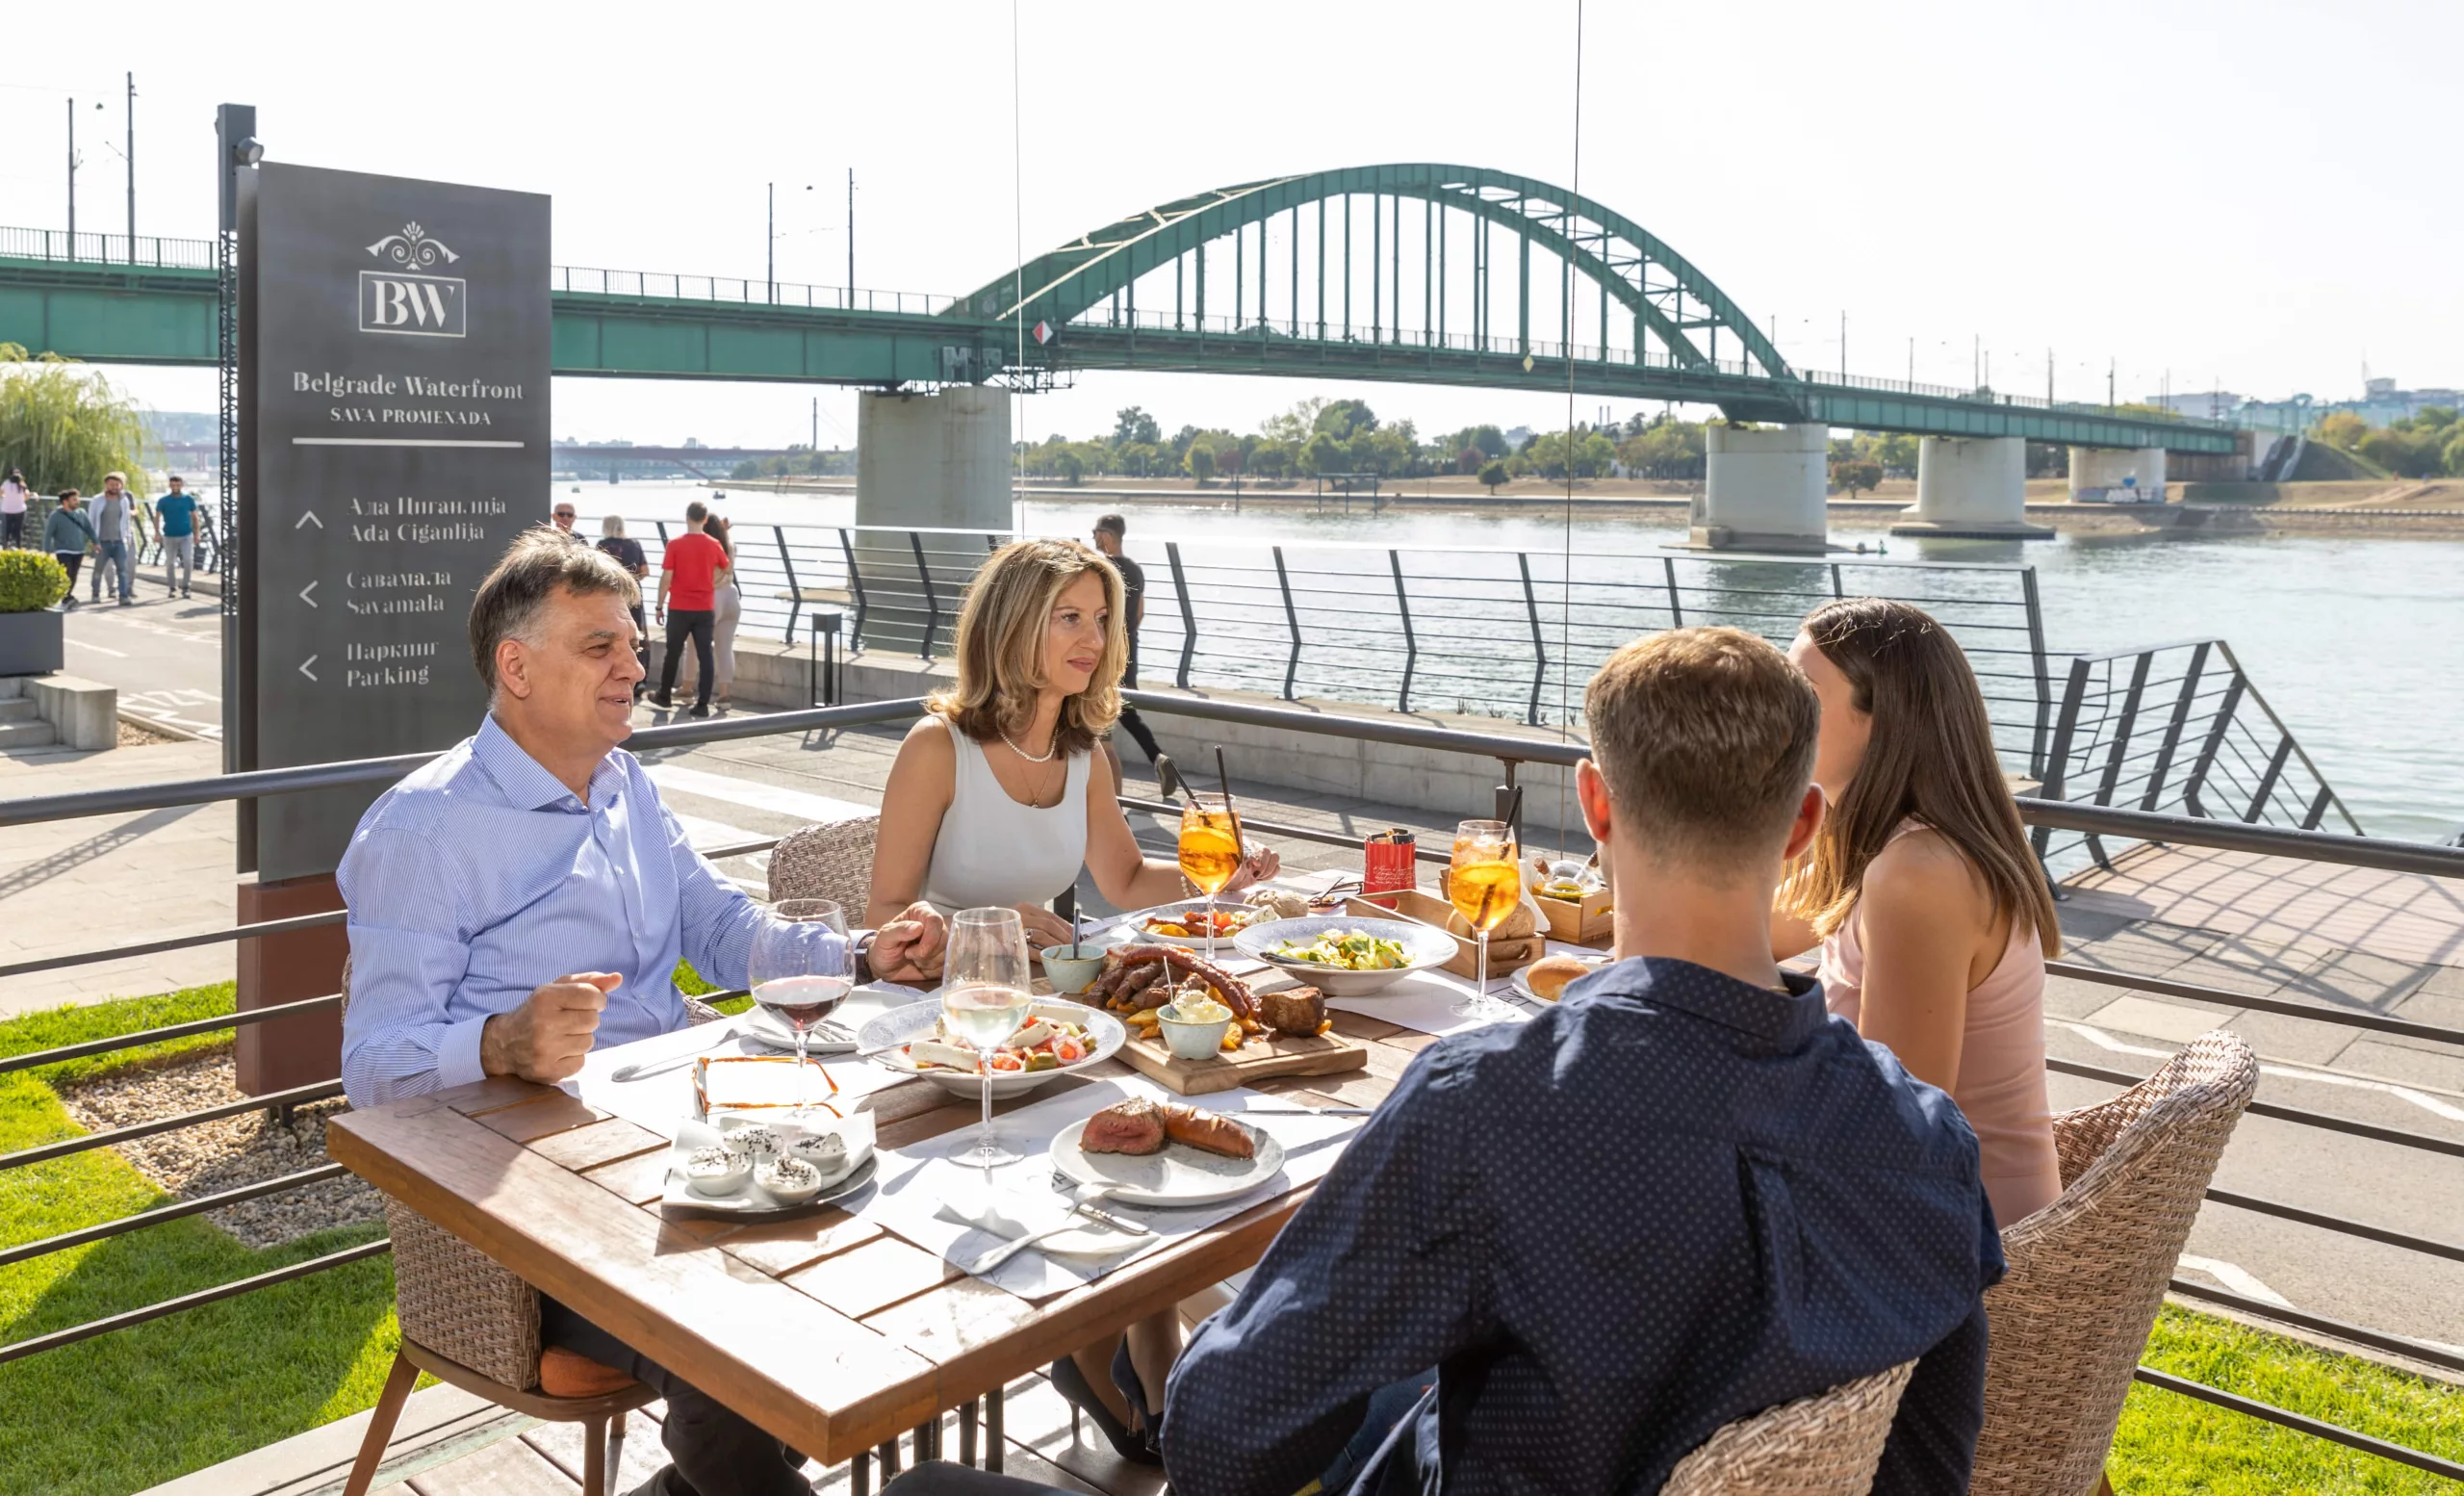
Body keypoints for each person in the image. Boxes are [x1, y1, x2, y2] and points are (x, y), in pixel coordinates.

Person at [883, 628, 2004, 1496]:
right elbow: (1932, 1453)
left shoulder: (1497, 1107)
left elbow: (1226, 1443)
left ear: (1594, 805)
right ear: (1804, 825)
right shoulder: (1921, 1138)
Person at [337, 530, 948, 1496]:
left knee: (883, 1246)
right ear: (517, 666)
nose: (637, 665)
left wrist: (864, 955)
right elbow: (371, 1065)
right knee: (732, 1361)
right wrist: (498, 1043)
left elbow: (719, 932)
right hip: (536, 1208)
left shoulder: (628, 786)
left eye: (635, 640)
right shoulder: (425, 830)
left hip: (689, 1151)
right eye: (601, 647)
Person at [1775, 597, 2065, 1226]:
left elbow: (1896, 1126)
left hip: (1958, 1240)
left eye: (1801, 697)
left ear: (1882, 722)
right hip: (1905, 1197)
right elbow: (1747, 935)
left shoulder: (1918, 875)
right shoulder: (1874, 839)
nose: (1778, 717)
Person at [867, 537, 1277, 950]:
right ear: (1012, 626)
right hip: (936, 992)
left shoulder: (1084, 756)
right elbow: (883, 913)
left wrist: (1222, 872)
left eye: (1101, 619)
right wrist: (997, 935)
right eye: (1070, 618)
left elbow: (1128, 880)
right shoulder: (938, 748)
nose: (1096, 641)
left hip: (1039, 986)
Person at [1088, 515, 1167, 787]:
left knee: (1103, 741)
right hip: (1129, 651)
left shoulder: (1100, 570)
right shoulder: (1136, 570)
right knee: (1125, 708)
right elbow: (1140, 612)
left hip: (1103, 657)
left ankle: (1115, 808)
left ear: (1106, 536)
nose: (1093, 539)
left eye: (1095, 533)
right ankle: (1157, 755)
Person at [652, 499, 725, 718]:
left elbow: (666, 578)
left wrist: (659, 605)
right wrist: (711, 583)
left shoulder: (675, 544)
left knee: (673, 652)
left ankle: (664, 695)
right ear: (704, 519)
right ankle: (702, 704)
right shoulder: (714, 544)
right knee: (706, 654)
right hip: (704, 606)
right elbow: (725, 568)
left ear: (686, 518)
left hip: (679, 606)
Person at [596, 513, 651, 690]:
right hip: (633, 594)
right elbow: (645, 571)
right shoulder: (634, 544)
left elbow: (595, 574)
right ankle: (640, 679)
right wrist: (631, 581)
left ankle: (615, 675)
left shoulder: (602, 546)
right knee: (637, 634)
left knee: (612, 634)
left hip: (610, 596)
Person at [89, 472, 144, 606]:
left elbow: (125, 521)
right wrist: (93, 540)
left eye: (117, 484)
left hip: (120, 541)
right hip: (102, 542)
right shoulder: (97, 500)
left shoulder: (124, 500)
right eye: (111, 484)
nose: (114, 487)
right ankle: (95, 594)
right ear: (106, 485)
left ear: (121, 485)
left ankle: (123, 596)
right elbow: (91, 520)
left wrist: (128, 538)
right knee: (98, 570)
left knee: (123, 570)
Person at [706, 513, 743, 713]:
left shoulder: (707, 546)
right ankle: (724, 695)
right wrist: (725, 531)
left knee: (695, 646)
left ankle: (687, 688)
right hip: (731, 595)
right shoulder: (730, 544)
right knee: (725, 648)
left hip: (712, 597)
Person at [44, 490, 94, 606]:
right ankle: (66, 596)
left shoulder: (81, 513)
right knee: (67, 573)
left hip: (79, 549)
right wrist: (46, 550)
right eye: (74, 500)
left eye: (78, 499)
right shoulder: (55, 515)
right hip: (63, 549)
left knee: (74, 574)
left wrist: (95, 542)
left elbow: (89, 528)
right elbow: (48, 534)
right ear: (65, 502)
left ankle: (67, 595)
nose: (78, 502)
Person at [155, 476, 200, 598]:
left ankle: (186, 587)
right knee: (170, 562)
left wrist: (197, 534)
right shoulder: (163, 501)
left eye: (178, 485)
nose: (175, 487)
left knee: (188, 560)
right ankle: (172, 587)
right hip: (169, 535)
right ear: (170, 486)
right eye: (173, 485)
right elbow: (157, 517)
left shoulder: (188, 499)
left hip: (186, 535)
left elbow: (195, 517)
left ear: (182, 485)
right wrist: (157, 533)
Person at [1, 468, 27, 549]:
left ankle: (6, 547)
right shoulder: (22, 485)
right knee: (18, 530)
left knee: (7, 529)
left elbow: (0, 492)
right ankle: (18, 546)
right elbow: (26, 496)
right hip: (20, 510)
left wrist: (4, 497)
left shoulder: (6, 483)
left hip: (7, 510)